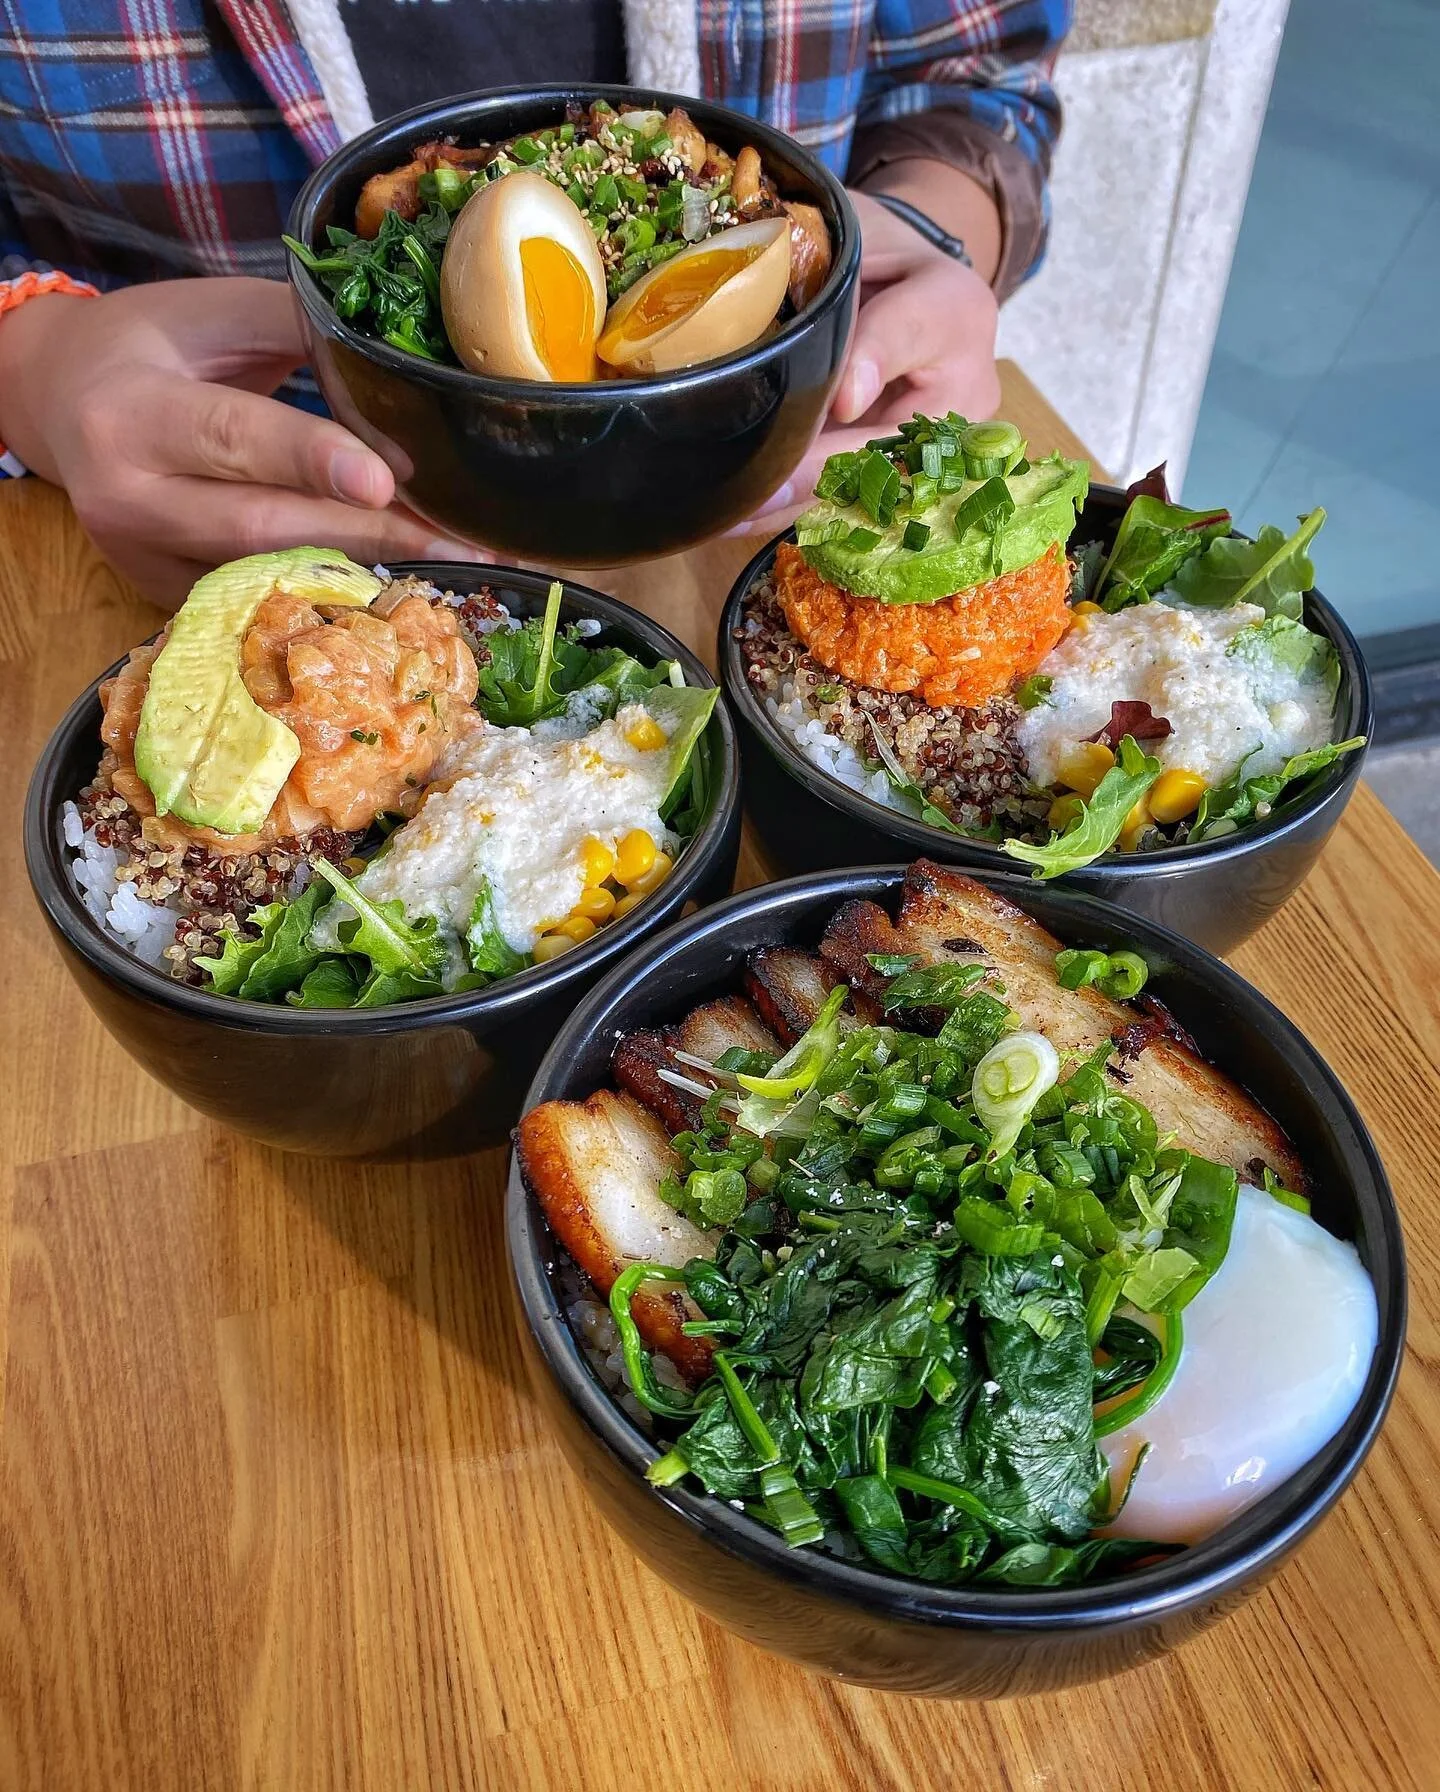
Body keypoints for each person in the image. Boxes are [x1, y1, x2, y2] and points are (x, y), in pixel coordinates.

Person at [0, 0, 1068, 602]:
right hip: (189, 545)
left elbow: (971, 74)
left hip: (772, 530)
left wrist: (937, 230)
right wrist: (37, 367)